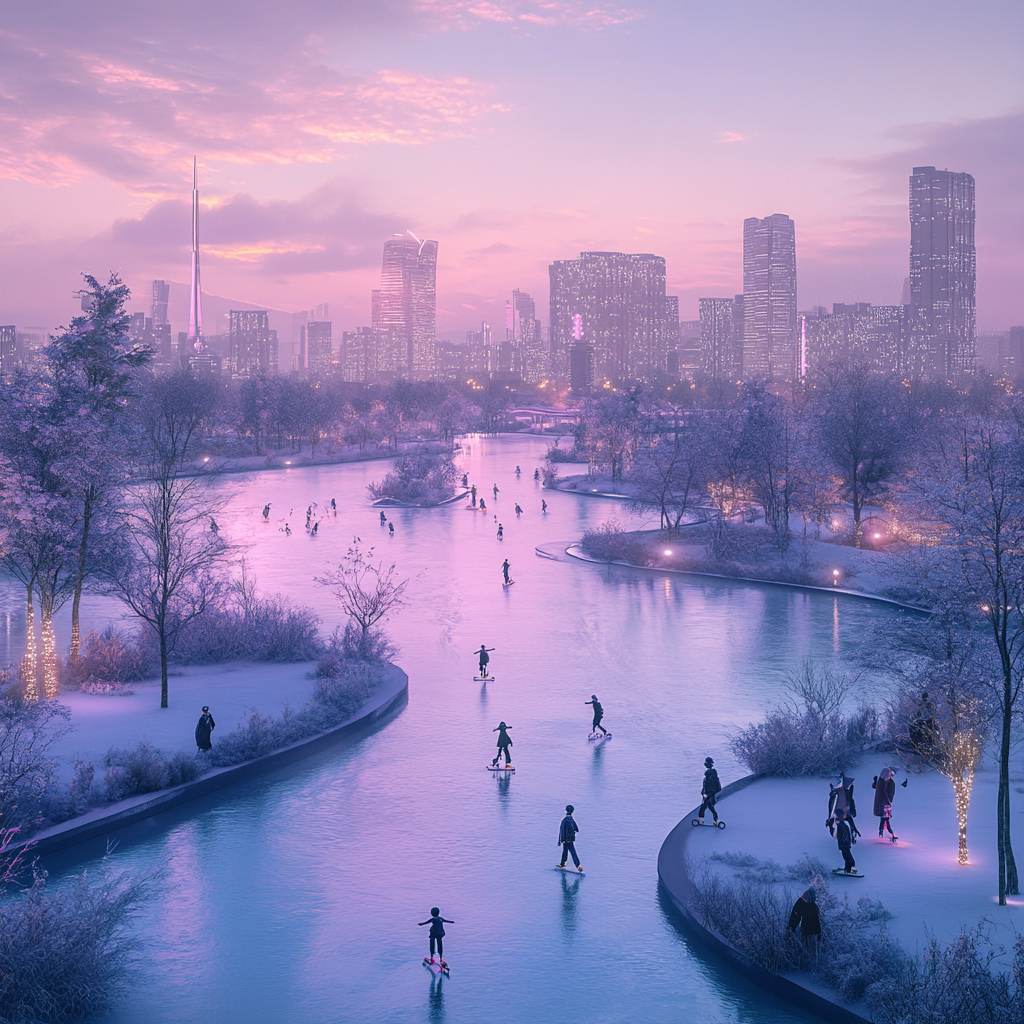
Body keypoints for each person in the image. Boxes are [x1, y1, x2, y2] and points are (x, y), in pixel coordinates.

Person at [787, 888, 821, 953]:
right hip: (805, 934)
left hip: (814, 935)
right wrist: (790, 931)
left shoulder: (812, 904)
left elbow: (817, 919)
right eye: (813, 895)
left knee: (813, 953)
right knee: (806, 952)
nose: (815, 896)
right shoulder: (800, 903)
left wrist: (819, 934)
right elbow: (794, 918)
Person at [872, 766, 899, 840]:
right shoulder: (887, 782)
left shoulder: (882, 781)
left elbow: (876, 787)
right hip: (885, 804)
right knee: (885, 819)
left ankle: (883, 832)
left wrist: (875, 782)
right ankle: (889, 834)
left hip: (882, 803)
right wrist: (889, 801)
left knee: (884, 819)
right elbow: (888, 793)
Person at [557, 804, 582, 871]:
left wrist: (560, 840)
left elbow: (561, 831)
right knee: (572, 852)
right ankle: (578, 865)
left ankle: (562, 865)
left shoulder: (564, 820)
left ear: (566, 811)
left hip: (565, 840)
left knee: (565, 852)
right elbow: (577, 829)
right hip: (571, 839)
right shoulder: (572, 820)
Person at [698, 757, 722, 825]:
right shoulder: (712, 772)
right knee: (709, 806)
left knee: (704, 806)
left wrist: (706, 793)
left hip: (709, 793)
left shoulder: (710, 773)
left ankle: (701, 820)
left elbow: (709, 785)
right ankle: (715, 820)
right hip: (710, 792)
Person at [835, 808, 856, 873]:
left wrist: (845, 843)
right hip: (844, 844)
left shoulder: (842, 825)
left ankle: (848, 868)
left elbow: (844, 835)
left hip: (844, 844)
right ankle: (847, 867)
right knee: (846, 856)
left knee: (847, 857)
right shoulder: (841, 824)